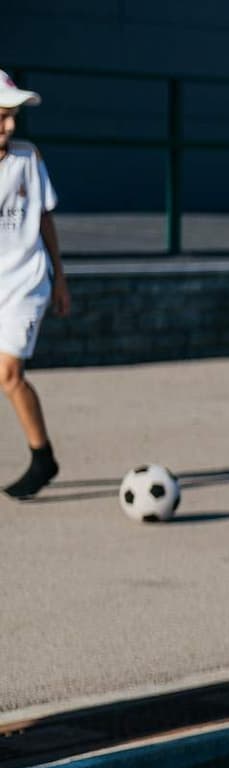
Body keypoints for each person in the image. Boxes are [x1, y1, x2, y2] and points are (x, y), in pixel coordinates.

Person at [0, 70, 70, 500]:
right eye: (1, 117)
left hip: (26, 283)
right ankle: (44, 457)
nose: (9, 126)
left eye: (12, 117)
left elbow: (44, 217)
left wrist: (60, 278)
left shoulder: (28, 158)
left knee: (7, 374)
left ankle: (42, 458)